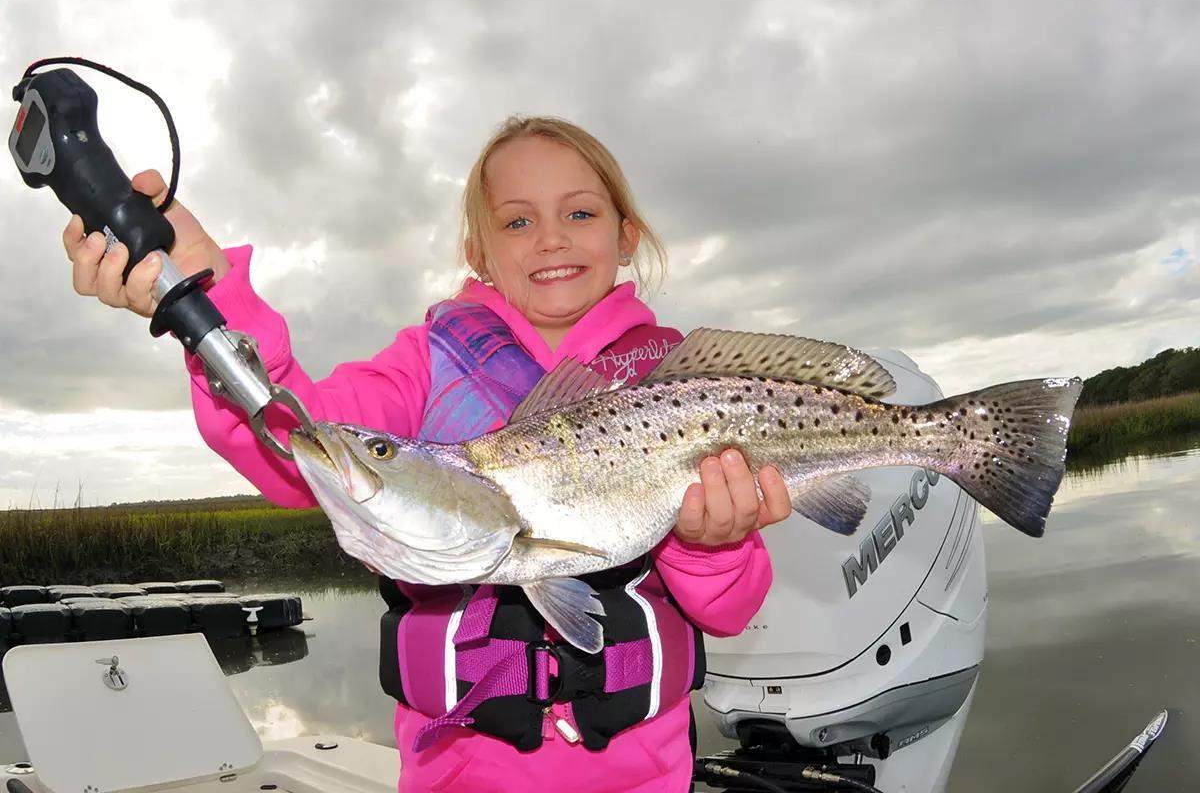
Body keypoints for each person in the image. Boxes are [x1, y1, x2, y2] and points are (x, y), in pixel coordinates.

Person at [63, 116, 788, 792]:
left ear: (626, 236)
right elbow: (298, 430)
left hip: (642, 771)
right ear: (479, 252)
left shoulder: (679, 383)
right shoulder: (427, 363)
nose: (551, 239)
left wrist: (713, 545)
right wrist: (211, 305)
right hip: (458, 771)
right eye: (517, 221)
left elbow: (729, 609)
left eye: (580, 213)